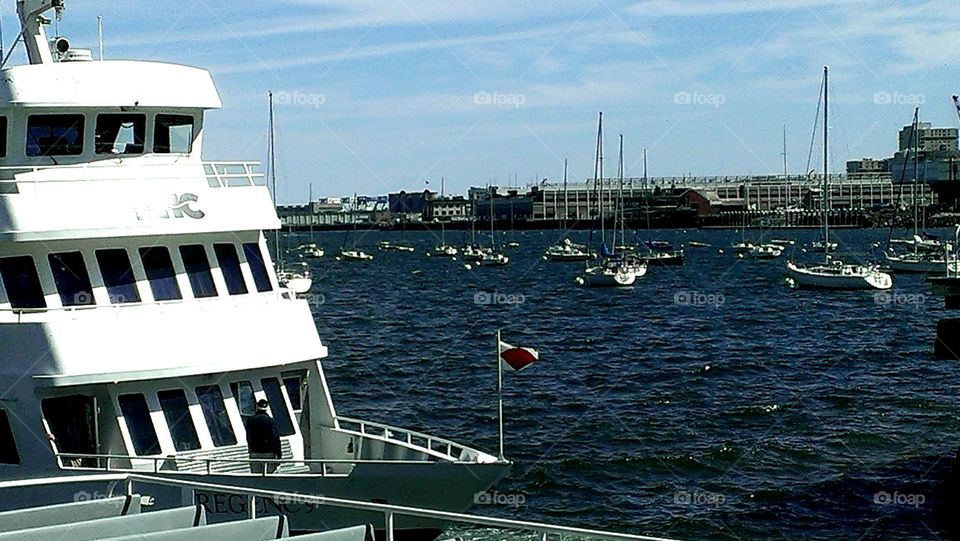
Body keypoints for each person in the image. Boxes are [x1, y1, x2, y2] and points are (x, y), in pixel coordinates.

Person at [246, 399, 281, 474]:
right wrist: (279, 454)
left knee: (256, 478)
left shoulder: (250, 420)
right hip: (269, 453)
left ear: (257, 406)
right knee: (270, 477)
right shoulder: (270, 421)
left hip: (255, 453)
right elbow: (275, 438)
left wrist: (251, 450)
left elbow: (248, 437)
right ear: (267, 408)